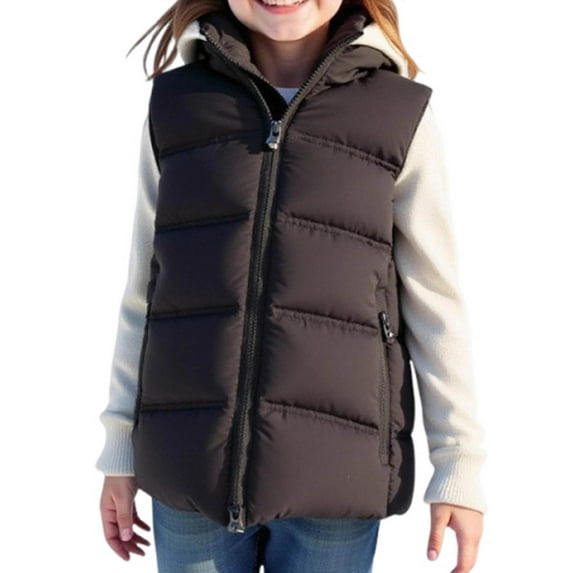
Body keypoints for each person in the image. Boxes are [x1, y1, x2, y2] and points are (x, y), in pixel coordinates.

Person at [95, 0, 487, 571]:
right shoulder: (179, 105)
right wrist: (120, 448)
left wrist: (459, 463)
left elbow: (435, 302)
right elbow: (146, 290)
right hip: (190, 469)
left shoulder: (398, 114)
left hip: (336, 476)